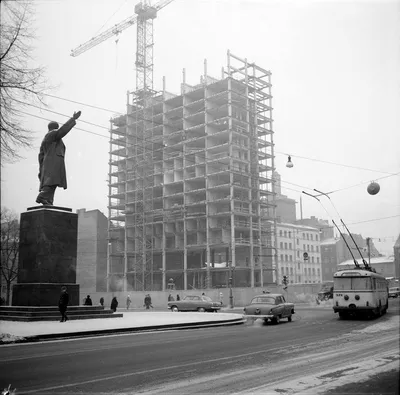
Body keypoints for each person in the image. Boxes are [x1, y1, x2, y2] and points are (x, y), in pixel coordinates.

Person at [36, 111, 81, 205]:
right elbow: (63, 130)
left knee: (53, 181)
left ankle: (48, 200)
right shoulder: (53, 134)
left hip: (47, 163)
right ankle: (42, 196)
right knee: (51, 181)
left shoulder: (45, 139)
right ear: (55, 128)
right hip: (54, 162)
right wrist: (73, 119)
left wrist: (41, 169)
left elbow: (40, 156)